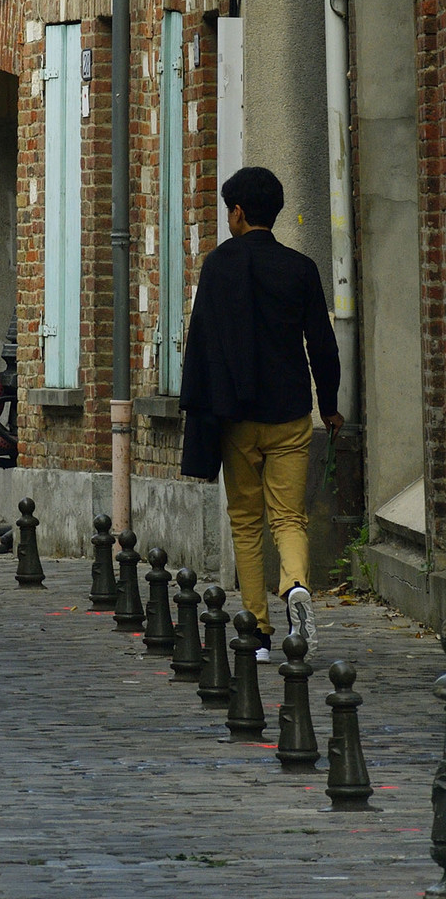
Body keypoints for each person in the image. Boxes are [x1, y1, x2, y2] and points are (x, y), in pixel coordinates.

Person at [179, 164, 342, 657]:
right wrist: (330, 406)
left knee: (246, 520)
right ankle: (295, 586)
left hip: (236, 417)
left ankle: (257, 633)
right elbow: (323, 344)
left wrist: (203, 413)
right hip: (290, 412)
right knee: (289, 518)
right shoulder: (301, 268)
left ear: (238, 212)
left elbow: (202, 345)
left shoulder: (218, 265)